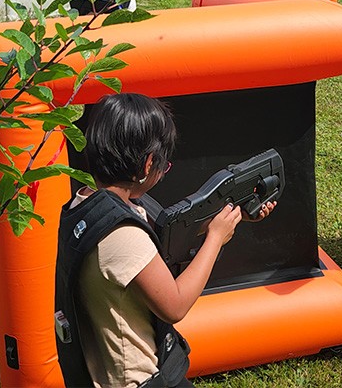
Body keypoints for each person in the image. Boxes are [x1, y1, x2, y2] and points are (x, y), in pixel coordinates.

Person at [57, 93, 275, 387]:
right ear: (148, 164)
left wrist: (229, 218)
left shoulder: (87, 204)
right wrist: (215, 238)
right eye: (164, 164)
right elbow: (175, 306)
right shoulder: (122, 235)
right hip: (137, 381)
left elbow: (154, 242)